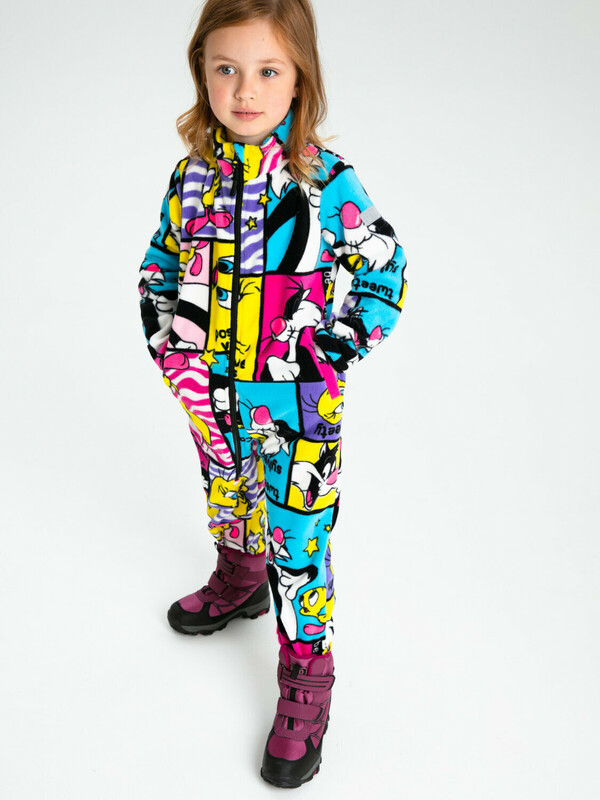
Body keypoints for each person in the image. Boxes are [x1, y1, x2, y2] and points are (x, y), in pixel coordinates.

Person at [138, 0, 407, 788]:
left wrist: (331, 351)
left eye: (267, 70)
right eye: (226, 68)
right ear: (202, 73)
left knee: (300, 540)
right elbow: (159, 265)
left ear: (299, 80)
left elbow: (385, 268)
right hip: (211, 396)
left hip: (297, 410)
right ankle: (239, 575)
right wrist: (170, 349)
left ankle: (306, 681)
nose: (245, 89)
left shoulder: (325, 179)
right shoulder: (191, 177)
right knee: (226, 495)